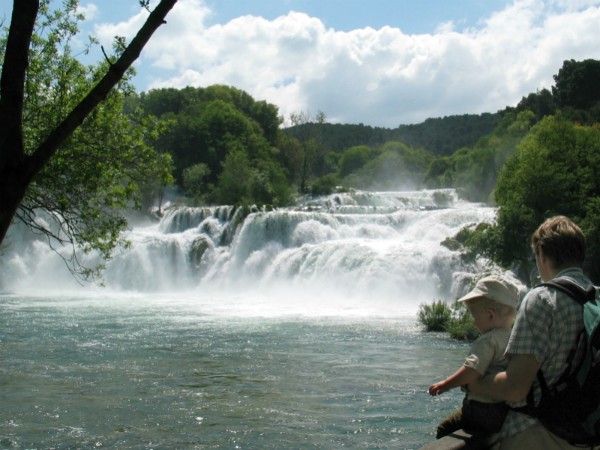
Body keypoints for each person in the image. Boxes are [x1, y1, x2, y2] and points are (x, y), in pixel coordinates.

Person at [468, 215, 595, 449]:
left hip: (539, 433)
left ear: (543, 255)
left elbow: (515, 388)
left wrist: (474, 383)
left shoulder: (542, 299)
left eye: (536, 256)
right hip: (587, 431)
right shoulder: (596, 297)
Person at [428, 275, 520, 439]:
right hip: (504, 410)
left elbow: (472, 370)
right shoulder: (515, 337)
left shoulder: (487, 341)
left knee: (445, 428)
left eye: (475, 316)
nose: (474, 322)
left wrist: (446, 384)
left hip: (482, 411)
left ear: (490, 316)